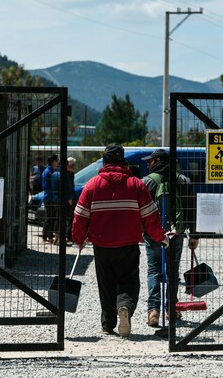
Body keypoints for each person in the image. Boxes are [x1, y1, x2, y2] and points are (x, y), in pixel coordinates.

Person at [71, 144, 167, 338]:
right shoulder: (135, 184)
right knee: (128, 281)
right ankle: (124, 307)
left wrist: (79, 239)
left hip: (101, 245)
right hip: (128, 244)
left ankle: (108, 324)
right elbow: (150, 216)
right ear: (123, 161)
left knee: (106, 284)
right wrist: (161, 237)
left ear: (105, 161)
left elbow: (80, 216)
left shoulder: (92, 184)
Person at [141, 149, 199, 327]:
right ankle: (171, 309)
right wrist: (194, 235)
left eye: (149, 161)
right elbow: (191, 209)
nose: (148, 164)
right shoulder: (183, 180)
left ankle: (153, 310)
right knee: (172, 271)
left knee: (154, 270)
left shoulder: (147, 182)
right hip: (177, 234)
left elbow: (141, 211)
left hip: (154, 235)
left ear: (157, 161)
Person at [42, 154, 59, 244]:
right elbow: (46, 186)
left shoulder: (52, 171)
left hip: (52, 198)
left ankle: (50, 236)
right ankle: (45, 237)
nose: (58, 162)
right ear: (53, 161)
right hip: (49, 198)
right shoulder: (47, 172)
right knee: (48, 218)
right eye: (57, 160)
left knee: (52, 218)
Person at [65, 157, 77, 242]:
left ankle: (68, 236)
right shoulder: (69, 174)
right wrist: (70, 199)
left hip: (70, 198)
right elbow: (68, 187)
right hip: (69, 199)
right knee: (69, 218)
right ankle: (67, 236)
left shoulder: (70, 174)